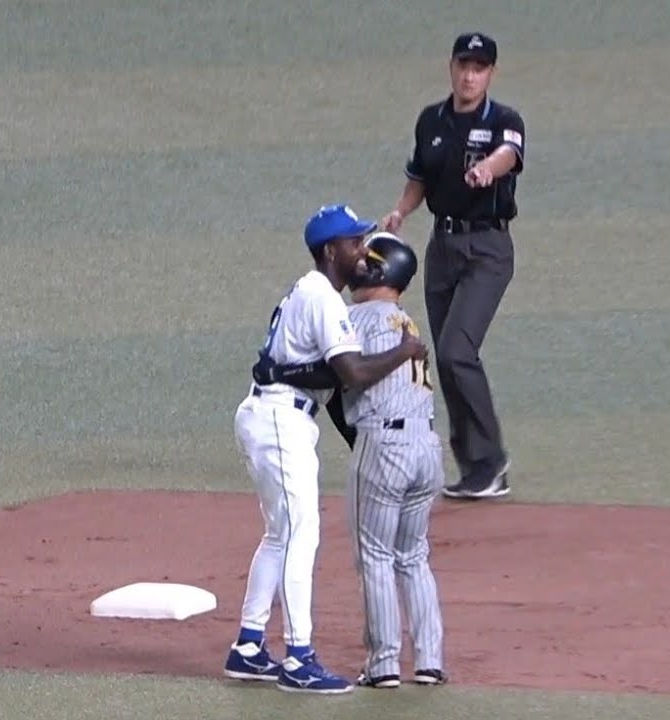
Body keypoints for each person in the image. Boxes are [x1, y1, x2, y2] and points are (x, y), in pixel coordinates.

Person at [223, 204, 428, 695]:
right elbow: (352, 374)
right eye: (356, 243)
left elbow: (326, 375)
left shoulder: (312, 293)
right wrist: (404, 351)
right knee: (300, 534)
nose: (364, 251)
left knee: (281, 534)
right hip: (279, 418)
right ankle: (299, 657)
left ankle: (249, 646)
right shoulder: (322, 298)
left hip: (273, 413)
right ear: (331, 251)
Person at [378, 31, 525, 499]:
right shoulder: (432, 120)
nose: (469, 76)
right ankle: (475, 467)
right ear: (451, 67)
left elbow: (508, 155)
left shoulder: (504, 119)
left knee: (457, 351)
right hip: (442, 248)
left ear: (491, 74)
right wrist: (401, 211)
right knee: (446, 358)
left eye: (479, 68)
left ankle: (491, 462)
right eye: (464, 65)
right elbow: (420, 177)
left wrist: (487, 169)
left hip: (487, 249)